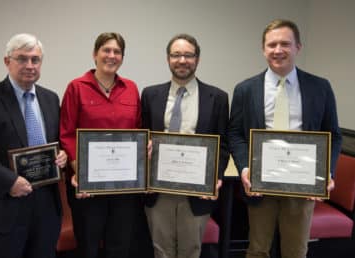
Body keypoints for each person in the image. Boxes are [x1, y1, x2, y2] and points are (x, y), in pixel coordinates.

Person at [228, 19, 342, 258]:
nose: (278, 50)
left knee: (296, 251)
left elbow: (333, 134)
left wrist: (327, 172)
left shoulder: (320, 87)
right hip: (260, 184)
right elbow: (236, 134)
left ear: (298, 47)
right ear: (263, 49)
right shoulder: (245, 89)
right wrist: (245, 167)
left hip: (302, 184)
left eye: (285, 44)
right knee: (258, 249)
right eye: (271, 44)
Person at [0, 33, 68, 258]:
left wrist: (63, 156)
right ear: (7, 61)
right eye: (22, 59)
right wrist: (10, 181)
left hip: (45, 207)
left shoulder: (50, 98)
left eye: (35, 59)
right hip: (2, 207)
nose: (30, 65)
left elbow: (55, 144)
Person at [141, 33, 229, 258]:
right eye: (176, 55)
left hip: (197, 191)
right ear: (168, 59)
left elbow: (223, 144)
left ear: (197, 59)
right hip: (159, 190)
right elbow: (142, 140)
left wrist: (215, 177)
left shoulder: (217, 97)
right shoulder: (150, 95)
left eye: (188, 55)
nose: (182, 60)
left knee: (191, 250)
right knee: (161, 250)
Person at [60, 32, 142, 258]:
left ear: (122, 57)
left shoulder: (131, 88)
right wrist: (81, 171)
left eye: (117, 52)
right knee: (88, 245)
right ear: (95, 54)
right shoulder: (76, 87)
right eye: (106, 50)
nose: (111, 56)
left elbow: (138, 131)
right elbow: (67, 134)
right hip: (88, 185)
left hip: (124, 186)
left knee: (120, 244)